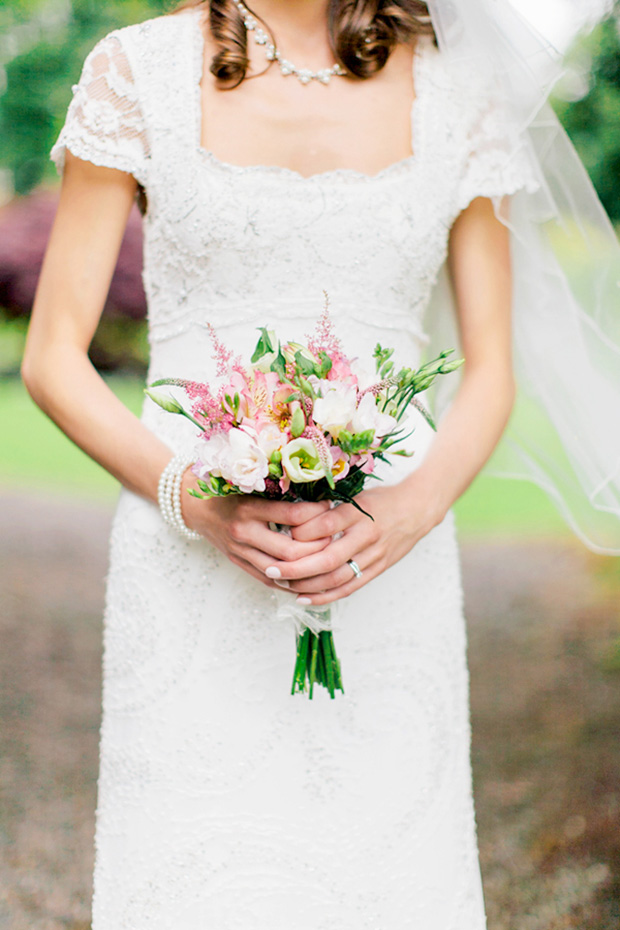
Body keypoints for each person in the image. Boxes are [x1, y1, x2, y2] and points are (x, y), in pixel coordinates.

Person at [21, 0, 620, 927]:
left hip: (389, 559)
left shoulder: (460, 89)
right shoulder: (135, 71)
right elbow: (54, 355)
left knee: (382, 867)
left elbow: (491, 370)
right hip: (184, 551)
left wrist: (406, 514)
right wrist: (194, 501)